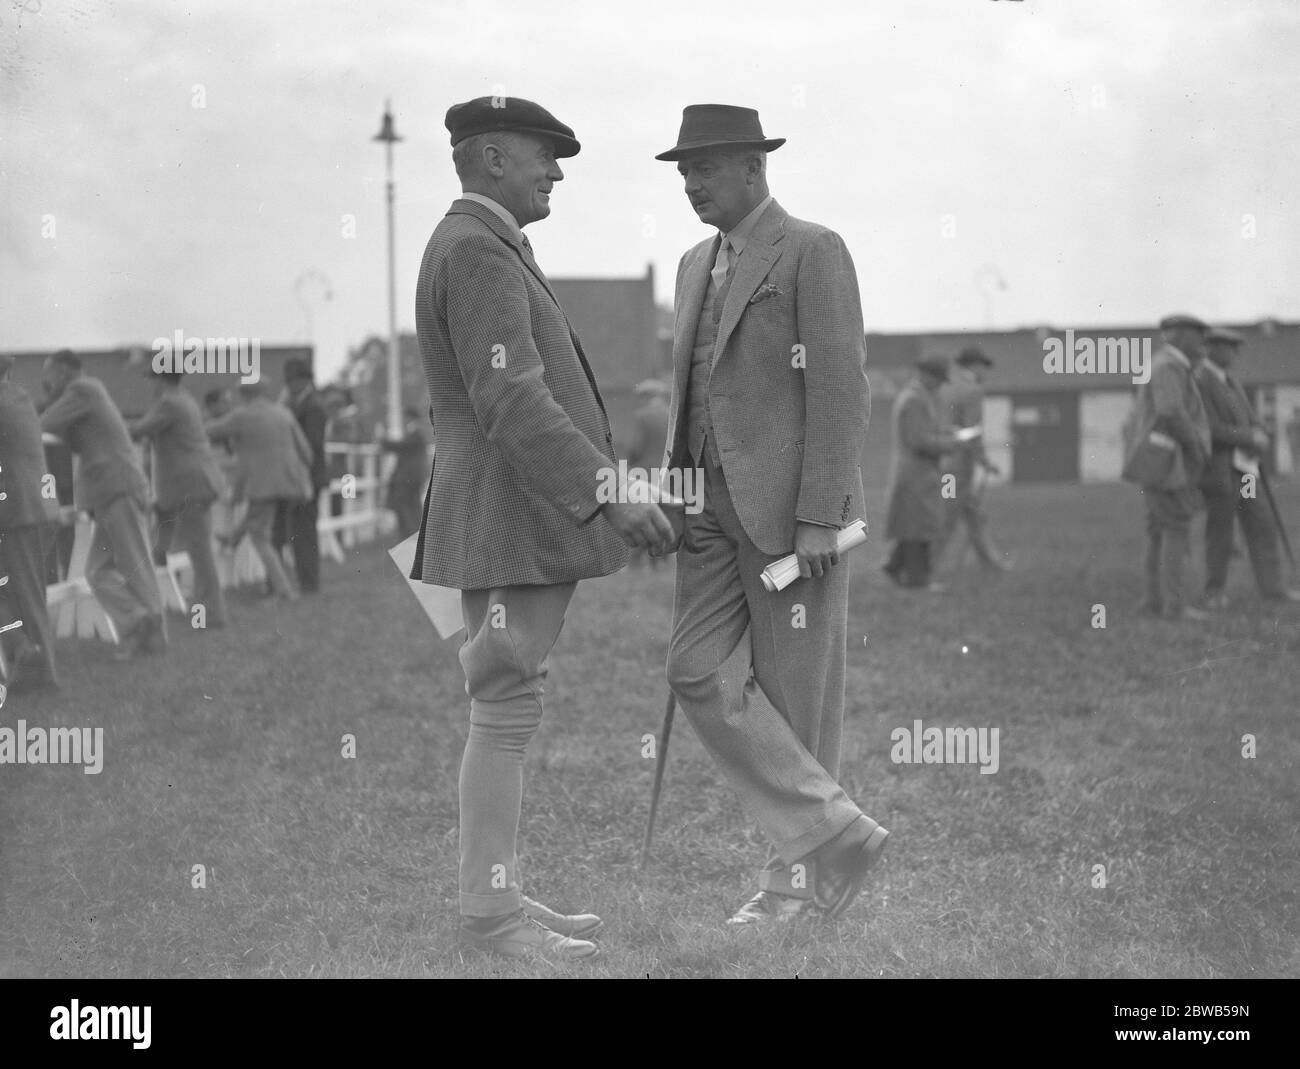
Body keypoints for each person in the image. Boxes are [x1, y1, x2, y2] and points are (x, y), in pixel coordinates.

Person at [414, 96, 672, 961]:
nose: (555, 172)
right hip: (506, 517)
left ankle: (500, 897)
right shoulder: (479, 252)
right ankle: (491, 918)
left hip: (504, 515)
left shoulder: (481, 244)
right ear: (491, 159)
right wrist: (609, 492)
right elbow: (513, 398)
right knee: (504, 704)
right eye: (542, 156)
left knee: (506, 702)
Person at [656, 104, 888, 928]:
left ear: (754, 167)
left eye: (705, 169)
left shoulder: (814, 251)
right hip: (708, 512)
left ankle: (789, 887)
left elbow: (839, 386)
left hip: (794, 519)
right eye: (683, 172)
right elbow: (685, 389)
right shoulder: (691, 263)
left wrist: (821, 514)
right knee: (692, 667)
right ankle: (837, 832)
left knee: (796, 697)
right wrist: (678, 487)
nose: (691, 184)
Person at [38, 350, 165, 659]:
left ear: (65, 371)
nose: (46, 381)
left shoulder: (82, 390)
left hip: (117, 488)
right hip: (111, 491)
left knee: (135, 563)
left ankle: (151, 636)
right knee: (96, 571)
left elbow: (45, 422)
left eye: (49, 374)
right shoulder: (86, 393)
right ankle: (139, 623)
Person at [1195, 327, 1299, 607]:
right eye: (1229, 346)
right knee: (1221, 534)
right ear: (1211, 348)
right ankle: (1214, 592)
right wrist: (1248, 436)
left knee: (1262, 524)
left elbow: (1250, 420)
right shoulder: (1200, 381)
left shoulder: (1231, 381)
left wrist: (1259, 433)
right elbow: (1209, 429)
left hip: (1246, 472)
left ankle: (1274, 588)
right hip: (1220, 471)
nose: (1235, 353)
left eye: (1235, 347)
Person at [1125, 314, 1212, 622]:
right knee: (1175, 527)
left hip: (1157, 460)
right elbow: (1171, 410)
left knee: (1159, 530)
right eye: (1197, 333)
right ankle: (1173, 606)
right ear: (1176, 335)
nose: (1204, 339)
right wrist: (1196, 447)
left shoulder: (1160, 363)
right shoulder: (1170, 366)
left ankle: (1154, 601)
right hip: (1170, 462)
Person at [129, 368, 229, 630]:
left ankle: (212, 615)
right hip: (190, 484)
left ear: (160, 380)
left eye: (151, 380)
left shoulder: (169, 403)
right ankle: (198, 610)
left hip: (188, 486)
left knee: (199, 552)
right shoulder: (184, 399)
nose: (149, 385)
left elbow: (139, 430)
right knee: (183, 547)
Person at [206, 383, 313, 602]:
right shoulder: (284, 413)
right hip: (291, 484)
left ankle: (283, 590)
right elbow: (306, 451)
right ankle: (233, 538)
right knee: (262, 523)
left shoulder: (242, 415)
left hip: (263, 485)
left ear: (244, 395)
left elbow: (209, 432)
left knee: (260, 537)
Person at [0, 354, 59, 691]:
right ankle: (24, 651)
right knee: (24, 591)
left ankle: (41, 671)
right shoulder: (19, 398)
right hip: (36, 504)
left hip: (17, 509)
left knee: (24, 592)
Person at [883, 354, 958, 590]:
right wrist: (950, 443)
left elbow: (923, 432)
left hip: (916, 473)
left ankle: (894, 567)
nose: (939, 385)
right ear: (926, 375)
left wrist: (946, 432)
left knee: (913, 526)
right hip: (916, 474)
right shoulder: (915, 399)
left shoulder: (916, 397)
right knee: (919, 528)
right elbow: (918, 440)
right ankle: (918, 581)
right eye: (938, 379)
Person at [935, 344, 1009, 572]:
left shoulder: (945, 386)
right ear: (973, 365)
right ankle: (924, 569)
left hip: (942, 462)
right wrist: (984, 460)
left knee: (974, 514)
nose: (985, 372)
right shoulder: (972, 390)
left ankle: (992, 562)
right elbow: (972, 431)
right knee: (947, 518)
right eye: (983, 366)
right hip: (958, 467)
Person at [274, 357, 328, 594]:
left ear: (302, 381)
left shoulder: (313, 405)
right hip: (304, 476)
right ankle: (307, 582)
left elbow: (313, 443)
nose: (288, 386)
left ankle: (309, 583)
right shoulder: (305, 402)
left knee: (304, 532)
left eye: (291, 381)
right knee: (300, 531)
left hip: (308, 477)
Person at [625, 379, 672, 568]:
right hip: (668, 472)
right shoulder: (671, 414)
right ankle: (662, 557)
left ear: (646, 396)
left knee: (643, 515)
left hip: (644, 472)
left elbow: (636, 446)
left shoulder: (642, 416)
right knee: (664, 514)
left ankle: (637, 560)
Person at [380, 407, 430, 539]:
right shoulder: (415, 433)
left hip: (410, 478)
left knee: (405, 509)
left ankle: (410, 540)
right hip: (413, 478)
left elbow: (401, 446)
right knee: (411, 509)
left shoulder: (416, 434)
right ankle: (413, 541)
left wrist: (383, 440)